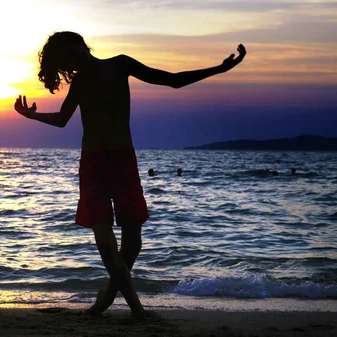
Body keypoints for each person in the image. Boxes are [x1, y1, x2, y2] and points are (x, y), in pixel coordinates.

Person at [14, 31, 246, 319]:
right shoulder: (80, 82)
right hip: (94, 164)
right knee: (105, 239)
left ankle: (107, 297)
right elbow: (62, 120)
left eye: (72, 52)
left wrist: (220, 69)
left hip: (124, 160)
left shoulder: (120, 64)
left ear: (82, 45)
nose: (72, 61)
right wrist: (32, 115)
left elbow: (172, 80)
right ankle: (138, 310)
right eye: (66, 60)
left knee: (133, 243)